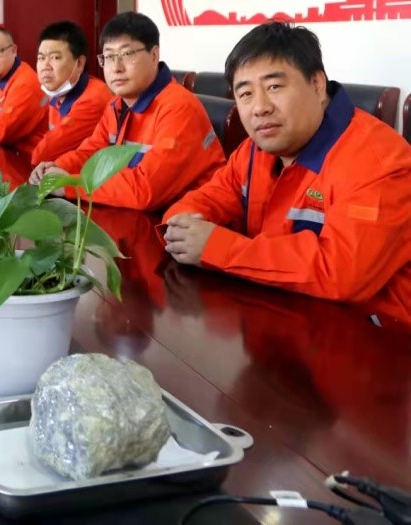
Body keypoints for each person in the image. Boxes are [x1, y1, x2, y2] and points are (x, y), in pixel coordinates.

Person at [163, 22, 411, 329]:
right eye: (245, 94)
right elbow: (204, 201)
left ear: (317, 85)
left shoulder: (379, 161)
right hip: (281, 316)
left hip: (375, 336)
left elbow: (339, 272)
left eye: (274, 87)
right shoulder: (255, 150)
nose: (260, 108)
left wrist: (218, 248)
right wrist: (182, 228)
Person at [30, 11, 224, 211]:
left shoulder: (179, 108)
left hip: (187, 219)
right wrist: (57, 168)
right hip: (135, 212)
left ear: (154, 55)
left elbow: (146, 189)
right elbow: (93, 151)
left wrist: (70, 184)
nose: (116, 67)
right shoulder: (117, 104)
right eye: (109, 56)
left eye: (127, 54)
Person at [29, 21, 113, 165]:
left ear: (79, 63)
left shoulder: (93, 99)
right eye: (41, 58)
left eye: (55, 58)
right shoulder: (57, 93)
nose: (45, 66)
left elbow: (43, 154)